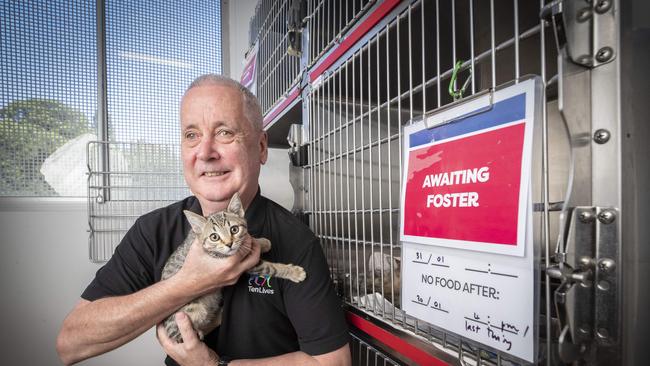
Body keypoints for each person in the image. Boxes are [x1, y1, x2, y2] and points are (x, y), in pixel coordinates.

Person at [56, 75, 351, 365]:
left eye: (225, 132)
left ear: (261, 148)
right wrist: (185, 284)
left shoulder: (295, 240)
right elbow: (71, 344)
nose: (206, 153)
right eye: (191, 135)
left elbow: (333, 362)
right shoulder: (153, 231)